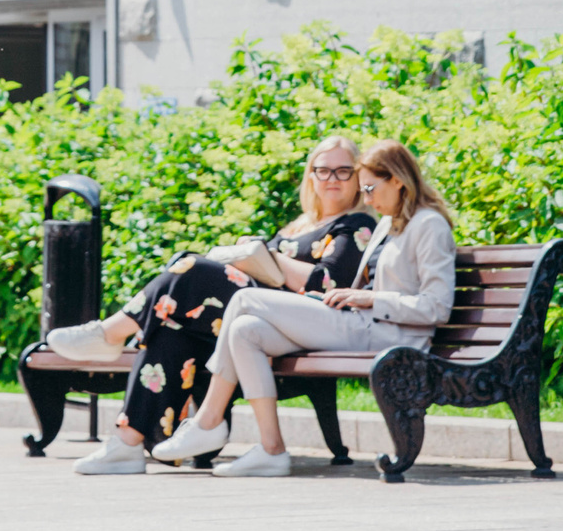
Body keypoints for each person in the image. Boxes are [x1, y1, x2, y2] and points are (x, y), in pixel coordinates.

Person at [43, 135, 377, 474]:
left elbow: (329, 283)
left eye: (343, 171)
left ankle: (110, 333)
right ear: (311, 176)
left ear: (357, 178)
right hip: (248, 311)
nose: (332, 179)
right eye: (323, 170)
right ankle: (126, 443)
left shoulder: (357, 224)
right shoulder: (299, 226)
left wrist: (270, 255)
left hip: (292, 318)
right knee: (171, 331)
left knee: (190, 267)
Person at [153, 138, 457, 477]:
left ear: (398, 179)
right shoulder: (389, 223)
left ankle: (208, 419)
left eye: (370, 188)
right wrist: (339, 297)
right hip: (359, 323)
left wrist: (371, 299)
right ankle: (272, 450)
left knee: (244, 299)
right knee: (245, 331)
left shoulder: (429, 225)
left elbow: (437, 307)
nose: (366, 198)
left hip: (388, 334)